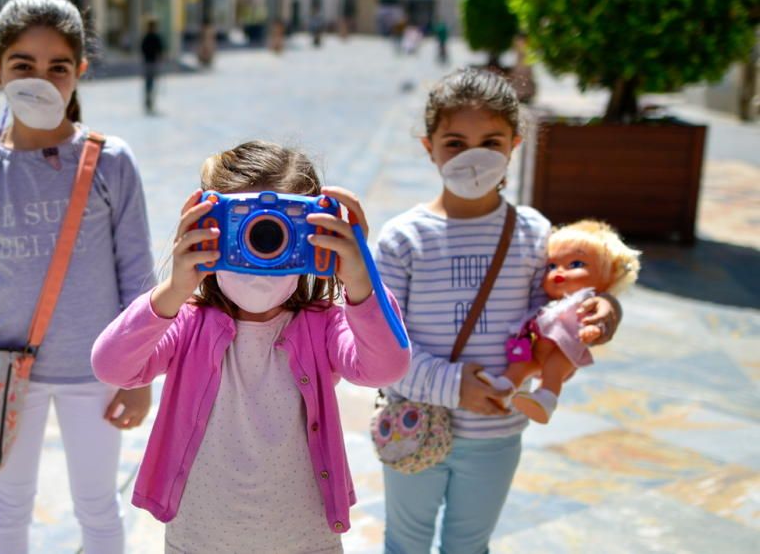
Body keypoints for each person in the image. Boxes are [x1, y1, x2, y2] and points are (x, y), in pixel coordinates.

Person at [91, 140, 411, 554]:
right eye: (245, 232)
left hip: (305, 541)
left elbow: (385, 367)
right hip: (200, 541)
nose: (262, 252)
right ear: (205, 229)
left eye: (278, 233)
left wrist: (360, 277)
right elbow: (112, 366)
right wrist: (173, 289)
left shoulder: (322, 325)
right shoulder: (187, 321)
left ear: (314, 236)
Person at [0, 0, 156, 554]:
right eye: (22, 65)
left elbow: (137, 279)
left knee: (98, 507)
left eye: (58, 67)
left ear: (79, 71)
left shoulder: (111, 162)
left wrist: (141, 373)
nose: (42, 79)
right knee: (8, 505)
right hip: (5, 371)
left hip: (96, 370)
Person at [374, 68, 622, 554]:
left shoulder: (533, 232)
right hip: (415, 422)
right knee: (405, 542)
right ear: (429, 148)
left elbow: (555, 314)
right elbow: (382, 346)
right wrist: (452, 386)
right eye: (454, 143)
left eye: (490, 141)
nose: (473, 157)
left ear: (514, 142)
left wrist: (604, 310)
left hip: (497, 432)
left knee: (470, 544)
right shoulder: (403, 239)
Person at [482, 219, 640, 423]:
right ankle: (502, 388)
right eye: (552, 266)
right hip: (536, 345)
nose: (559, 272)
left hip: (564, 348)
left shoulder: (587, 299)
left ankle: (546, 399)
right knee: (520, 366)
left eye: (576, 264)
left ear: (608, 276)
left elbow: (602, 312)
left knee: (553, 369)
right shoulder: (548, 302)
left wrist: (595, 328)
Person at [140, 17, 165, 115]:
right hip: (152, 63)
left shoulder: (147, 37)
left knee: (148, 84)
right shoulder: (155, 37)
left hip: (148, 63)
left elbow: (142, 49)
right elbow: (161, 51)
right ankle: (150, 103)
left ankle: (149, 102)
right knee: (151, 84)